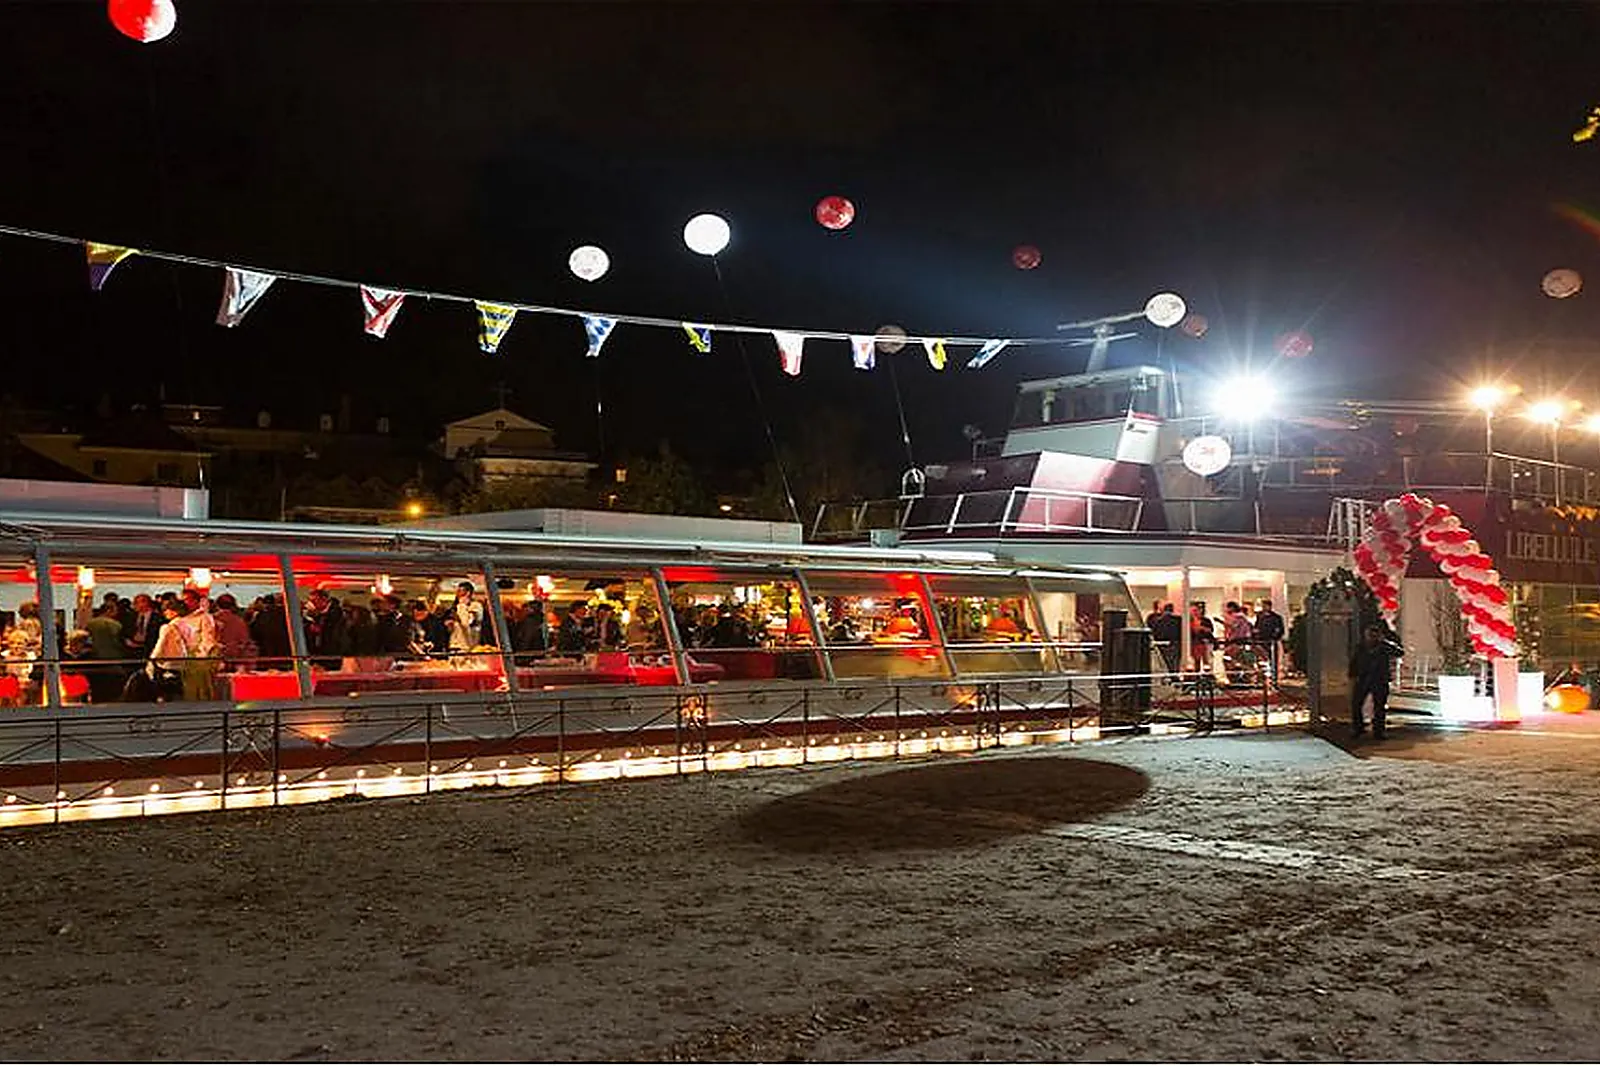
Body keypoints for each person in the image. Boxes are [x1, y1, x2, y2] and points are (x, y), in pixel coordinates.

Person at [1348, 623, 1403, 740]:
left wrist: (1386, 641)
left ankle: (1378, 731)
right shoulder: (1361, 647)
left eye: (1374, 635)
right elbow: (1354, 661)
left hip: (1379, 679)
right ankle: (1358, 728)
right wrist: (1353, 675)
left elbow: (1399, 652)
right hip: (1363, 678)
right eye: (1369, 635)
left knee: (1379, 706)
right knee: (1357, 704)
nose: (1371, 638)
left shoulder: (1384, 646)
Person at [84, 606, 128, 703]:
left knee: (98, 685)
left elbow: (87, 640)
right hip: (114, 658)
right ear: (109, 611)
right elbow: (119, 641)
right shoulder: (116, 625)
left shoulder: (91, 624)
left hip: (96, 658)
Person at [211, 594, 255, 669]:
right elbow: (244, 642)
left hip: (215, 660)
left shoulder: (211, 620)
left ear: (217, 605)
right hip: (235, 661)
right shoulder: (240, 621)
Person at [446, 582, 484, 653]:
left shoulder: (476, 606)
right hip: (454, 644)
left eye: (460, 591)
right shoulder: (456, 606)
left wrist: (462, 605)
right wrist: (450, 624)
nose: (457, 593)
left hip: (468, 646)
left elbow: (467, 623)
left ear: (468, 592)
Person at [1253, 598, 1285, 681]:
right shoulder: (1260, 616)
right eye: (1263, 606)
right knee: (1261, 659)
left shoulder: (1276, 617)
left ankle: (1273, 677)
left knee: (1272, 659)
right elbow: (1257, 627)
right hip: (1261, 641)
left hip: (1271, 641)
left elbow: (1280, 629)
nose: (1264, 607)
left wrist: (1274, 637)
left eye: (1265, 606)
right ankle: (1262, 677)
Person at [1150, 602, 1183, 672]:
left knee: (1163, 662)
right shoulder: (1178, 619)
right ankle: (1174, 675)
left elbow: (1154, 631)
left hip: (1160, 644)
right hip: (1174, 643)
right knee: (1174, 663)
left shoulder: (1156, 620)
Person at [1188, 602, 1215, 676]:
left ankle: (1208, 675)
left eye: (1196, 610)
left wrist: (1202, 628)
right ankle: (1196, 675)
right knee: (1196, 660)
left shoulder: (1206, 620)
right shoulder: (1189, 621)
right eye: (1193, 611)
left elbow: (1210, 630)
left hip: (1206, 642)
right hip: (1195, 643)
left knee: (1207, 660)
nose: (1195, 612)